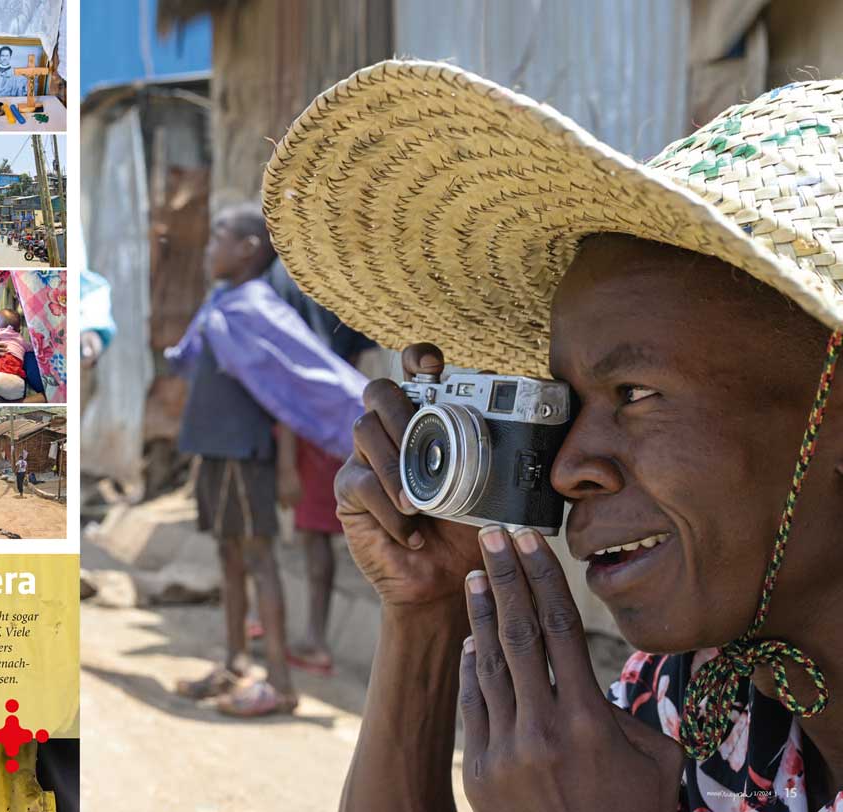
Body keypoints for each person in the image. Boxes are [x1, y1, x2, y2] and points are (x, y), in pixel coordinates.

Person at [263, 61, 843, 811]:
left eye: (635, 394)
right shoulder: (695, 701)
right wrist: (425, 609)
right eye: (566, 402)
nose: (567, 468)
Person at [166, 203, 367, 717]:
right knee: (229, 557)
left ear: (249, 249)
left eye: (219, 239)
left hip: (243, 450)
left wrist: (358, 417)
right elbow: (192, 359)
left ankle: (280, 683)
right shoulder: (223, 300)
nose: (209, 248)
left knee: (258, 559)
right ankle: (235, 663)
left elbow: (301, 379)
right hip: (214, 449)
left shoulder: (258, 307)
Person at [267, 259, 377, 676]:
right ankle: (303, 630)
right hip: (339, 417)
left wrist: (287, 463)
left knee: (314, 535)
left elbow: (294, 386)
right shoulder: (346, 282)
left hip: (308, 427)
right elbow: (355, 361)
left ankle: (315, 639)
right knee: (314, 532)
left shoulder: (288, 280)